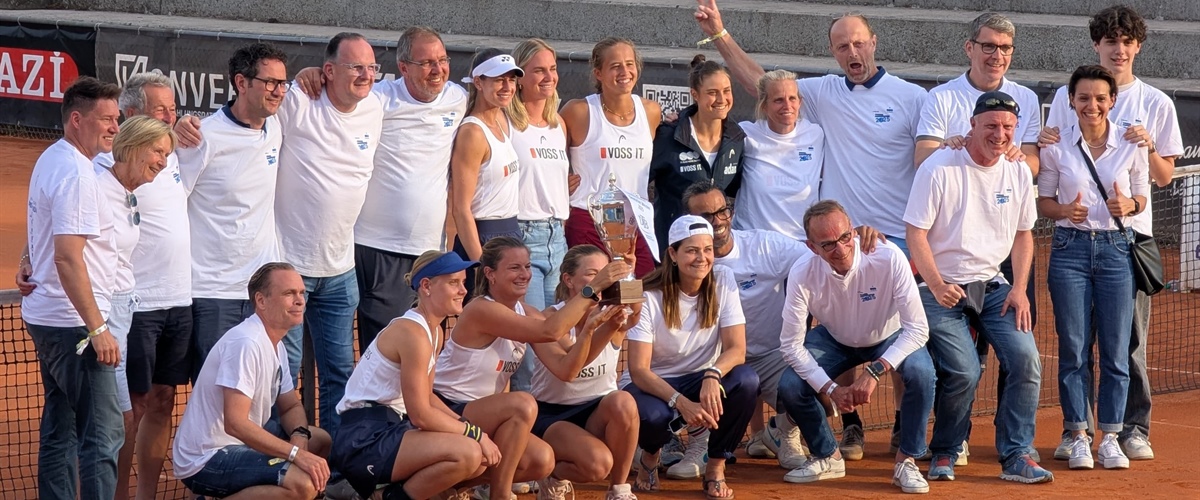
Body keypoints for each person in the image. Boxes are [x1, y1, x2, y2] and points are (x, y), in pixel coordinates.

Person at [694, 2, 926, 450]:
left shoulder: (911, 96)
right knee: (803, 331)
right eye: (843, 46)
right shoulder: (821, 93)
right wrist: (719, 35)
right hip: (817, 241)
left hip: (884, 236)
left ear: (874, 42)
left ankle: (896, 424)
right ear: (833, 52)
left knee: (886, 334)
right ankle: (793, 430)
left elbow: (933, 149)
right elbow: (761, 83)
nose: (852, 51)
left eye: (859, 42)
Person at [1040, 5, 1182, 462]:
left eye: (1126, 42)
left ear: (1137, 46)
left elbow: (1161, 178)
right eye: (1109, 42)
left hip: (1129, 241)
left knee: (1129, 342)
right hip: (1074, 241)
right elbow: (1056, 150)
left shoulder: (1157, 103)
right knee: (1076, 344)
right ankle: (1076, 432)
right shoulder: (1070, 97)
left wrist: (1149, 144)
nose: (1118, 50)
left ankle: (1130, 429)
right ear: (1097, 46)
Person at [913, 12, 1042, 465]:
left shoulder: (1017, 169)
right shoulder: (940, 158)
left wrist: (1021, 290)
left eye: (1008, 129)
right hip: (942, 285)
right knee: (964, 370)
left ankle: (1017, 452)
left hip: (996, 285)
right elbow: (917, 230)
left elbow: (1025, 235)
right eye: (991, 127)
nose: (1001, 135)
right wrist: (935, 283)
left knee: (1025, 360)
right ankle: (946, 449)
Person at [434, 236, 630, 498]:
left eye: (527, 267)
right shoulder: (481, 309)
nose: (524, 274)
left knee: (542, 461)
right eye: (514, 268)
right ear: (490, 274)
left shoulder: (527, 312)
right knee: (522, 403)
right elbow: (550, 329)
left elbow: (566, 368)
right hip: (448, 408)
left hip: (485, 413)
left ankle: (455, 486)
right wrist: (592, 288)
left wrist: (599, 328)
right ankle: (499, 494)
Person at [776, 200, 935, 494]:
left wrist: (874, 372)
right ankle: (827, 455)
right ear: (812, 248)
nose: (840, 249)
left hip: (889, 335)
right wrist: (831, 389)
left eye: (845, 237)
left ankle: (907, 461)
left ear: (854, 233)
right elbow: (790, 345)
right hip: (834, 338)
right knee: (790, 385)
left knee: (922, 373)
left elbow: (917, 329)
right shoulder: (801, 272)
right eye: (828, 245)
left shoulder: (888, 257)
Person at [1039, 65, 1147, 471]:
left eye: (1100, 98)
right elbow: (1044, 202)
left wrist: (1130, 206)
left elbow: (1141, 197)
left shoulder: (1131, 143)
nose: (1092, 105)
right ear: (1071, 101)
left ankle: (1112, 437)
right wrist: (1064, 211)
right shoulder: (1055, 145)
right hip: (1069, 249)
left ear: (1112, 101)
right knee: (1074, 348)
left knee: (1117, 351)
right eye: (1083, 98)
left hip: (1118, 250)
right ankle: (1078, 434)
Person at [275, 32, 384, 432]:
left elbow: (424, 88)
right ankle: (277, 466)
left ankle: (336, 469)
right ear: (329, 71)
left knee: (340, 376)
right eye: (356, 66)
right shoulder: (298, 100)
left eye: (371, 67)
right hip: (289, 269)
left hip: (340, 272)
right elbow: (250, 113)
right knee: (281, 378)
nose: (365, 75)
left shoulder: (376, 104)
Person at [22, 76, 123, 500]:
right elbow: (66, 256)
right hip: (74, 326)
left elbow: (42, 232)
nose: (115, 128)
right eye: (106, 119)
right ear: (76, 120)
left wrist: (27, 260)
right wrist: (97, 329)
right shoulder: (78, 174)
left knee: (60, 429)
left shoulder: (52, 157)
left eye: (117, 119)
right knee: (102, 438)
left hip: (47, 318)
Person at [332, 251, 497, 499]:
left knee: (478, 458)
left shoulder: (434, 333)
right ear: (427, 286)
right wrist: (474, 434)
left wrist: (466, 426)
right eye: (454, 282)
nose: (464, 290)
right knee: (469, 452)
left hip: (389, 428)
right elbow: (420, 414)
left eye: (463, 282)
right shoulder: (412, 333)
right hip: (363, 438)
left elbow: (428, 397)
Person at [624, 215, 758, 500]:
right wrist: (680, 402)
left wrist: (713, 373)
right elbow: (638, 370)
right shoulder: (645, 292)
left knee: (747, 380)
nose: (702, 258)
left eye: (707, 249)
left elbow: (737, 349)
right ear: (672, 254)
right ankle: (650, 456)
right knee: (654, 416)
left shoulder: (723, 278)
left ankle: (715, 468)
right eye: (692, 250)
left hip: (700, 377)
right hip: (652, 383)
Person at [351, 27, 468, 354]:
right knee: (387, 351)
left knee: (430, 344)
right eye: (427, 62)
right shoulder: (379, 98)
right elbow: (331, 90)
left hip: (431, 252)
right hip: (378, 249)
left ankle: (418, 407)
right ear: (404, 67)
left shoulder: (458, 99)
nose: (438, 70)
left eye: (443, 60)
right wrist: (311, 73)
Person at [680, 181, 810, 470]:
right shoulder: (686, 261)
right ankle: (700, 444)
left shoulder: (765, 245)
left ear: (731, 212)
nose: (716, 222)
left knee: (816, 395)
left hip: (774, 355)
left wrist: (863, 239)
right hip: (719, 362)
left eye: (721, 212)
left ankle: (782, 433)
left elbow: (817, 259)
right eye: (705, 217)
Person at [173, 263, 331, 499]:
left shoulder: (276, 344)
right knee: (303, 485)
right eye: (289, 293)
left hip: (239, 442)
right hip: (208, 457)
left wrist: (299, 438)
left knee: (319, 441)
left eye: (301, 293)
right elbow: (235, 424)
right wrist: (295, 453)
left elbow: (291, 406)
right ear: (261, 300)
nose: (300, 300)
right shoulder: (246, 343)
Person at [176, 42, 289, 369]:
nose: (278, 91)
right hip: (214, 292)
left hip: (264, 292)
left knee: (264, 391)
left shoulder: (275, 128)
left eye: (283, 83)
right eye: (270, 82)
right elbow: (171, 202)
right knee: (215, 397)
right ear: (241, 83)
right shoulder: (202, 138)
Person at [108, 73, 194, 500]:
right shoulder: (105, 165)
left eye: (172, 109)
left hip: (179, 300)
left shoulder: (174, 155)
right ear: (130, 114)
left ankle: (146, 496)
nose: (170, 116)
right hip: (136, 305)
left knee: (162, 401)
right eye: (160, 109)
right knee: (130, 410)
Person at [92, 112, 178, 500]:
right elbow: (60, 234)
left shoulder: (129, 191)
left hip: (124, 311)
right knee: (110, 418)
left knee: (120, 417)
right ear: (134, 145)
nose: (162, 160)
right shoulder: (96, 186)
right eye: (157, 151)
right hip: (103, 314)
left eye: (166, 153)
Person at [528, 245, 641, 499]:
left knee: (624, 400)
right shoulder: (548, 320)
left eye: (606, 272)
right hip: (553, 415)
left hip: (597, 411)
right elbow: (568, 367)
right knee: (597, 466)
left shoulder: (613, 314)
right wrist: (591, 326)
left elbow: (634, 312)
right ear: (568, 279)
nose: (602, 280)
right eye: (593, 274)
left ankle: (619, 490)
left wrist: (627, 274)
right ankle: (551, 475)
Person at [562, 37, 662, 277]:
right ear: (598, 73)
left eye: (630, 64)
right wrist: (559, 183)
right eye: (615, 66)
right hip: (589, 222)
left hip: (635, 225)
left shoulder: (650, 111)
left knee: (640, 300)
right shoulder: (579, 111)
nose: (624, 72)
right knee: (592, 303)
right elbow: (551, 155)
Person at [914, 12, 1041, 172]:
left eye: (1005, 48)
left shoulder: (1027, 98)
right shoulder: (941, 97)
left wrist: (1017, 157)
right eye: (989, 46)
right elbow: (922, 159)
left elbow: (1034, 166)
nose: (997, 56)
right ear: (969, 48)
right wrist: (948, 150)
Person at [649, 54, 744, 253]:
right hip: (674, 250)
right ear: (695, 94)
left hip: (715, 251)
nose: (721, 99)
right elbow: (638, 185)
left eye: (726, 91)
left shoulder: (737, 138)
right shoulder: (669, 136)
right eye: (712, 92)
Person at [450, 48, 525, 298]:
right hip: (483, 240)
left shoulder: (504, 119)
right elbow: (461, 209)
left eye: (511, 79)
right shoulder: (472, 132)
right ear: (479, 82)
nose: (507, 86)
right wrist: (482, 266)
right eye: (498, 79)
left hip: (511, 235)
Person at [508, 38, 571, 311]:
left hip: (557, 238)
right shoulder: (504, 122)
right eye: (539, 70)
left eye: (553, 68)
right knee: (530, 341)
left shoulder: (559, 125)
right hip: (522, 235)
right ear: (519, 78)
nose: (549, 77)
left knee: (555, 336)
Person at [732, 70, 822, 240]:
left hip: (801, 244)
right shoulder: (745, 134)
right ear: (764, 105)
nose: (787, 106)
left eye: (792, 98)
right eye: (778, 100)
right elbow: (705, 133)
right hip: (753, 241)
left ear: (800, 102)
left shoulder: (815, 134)